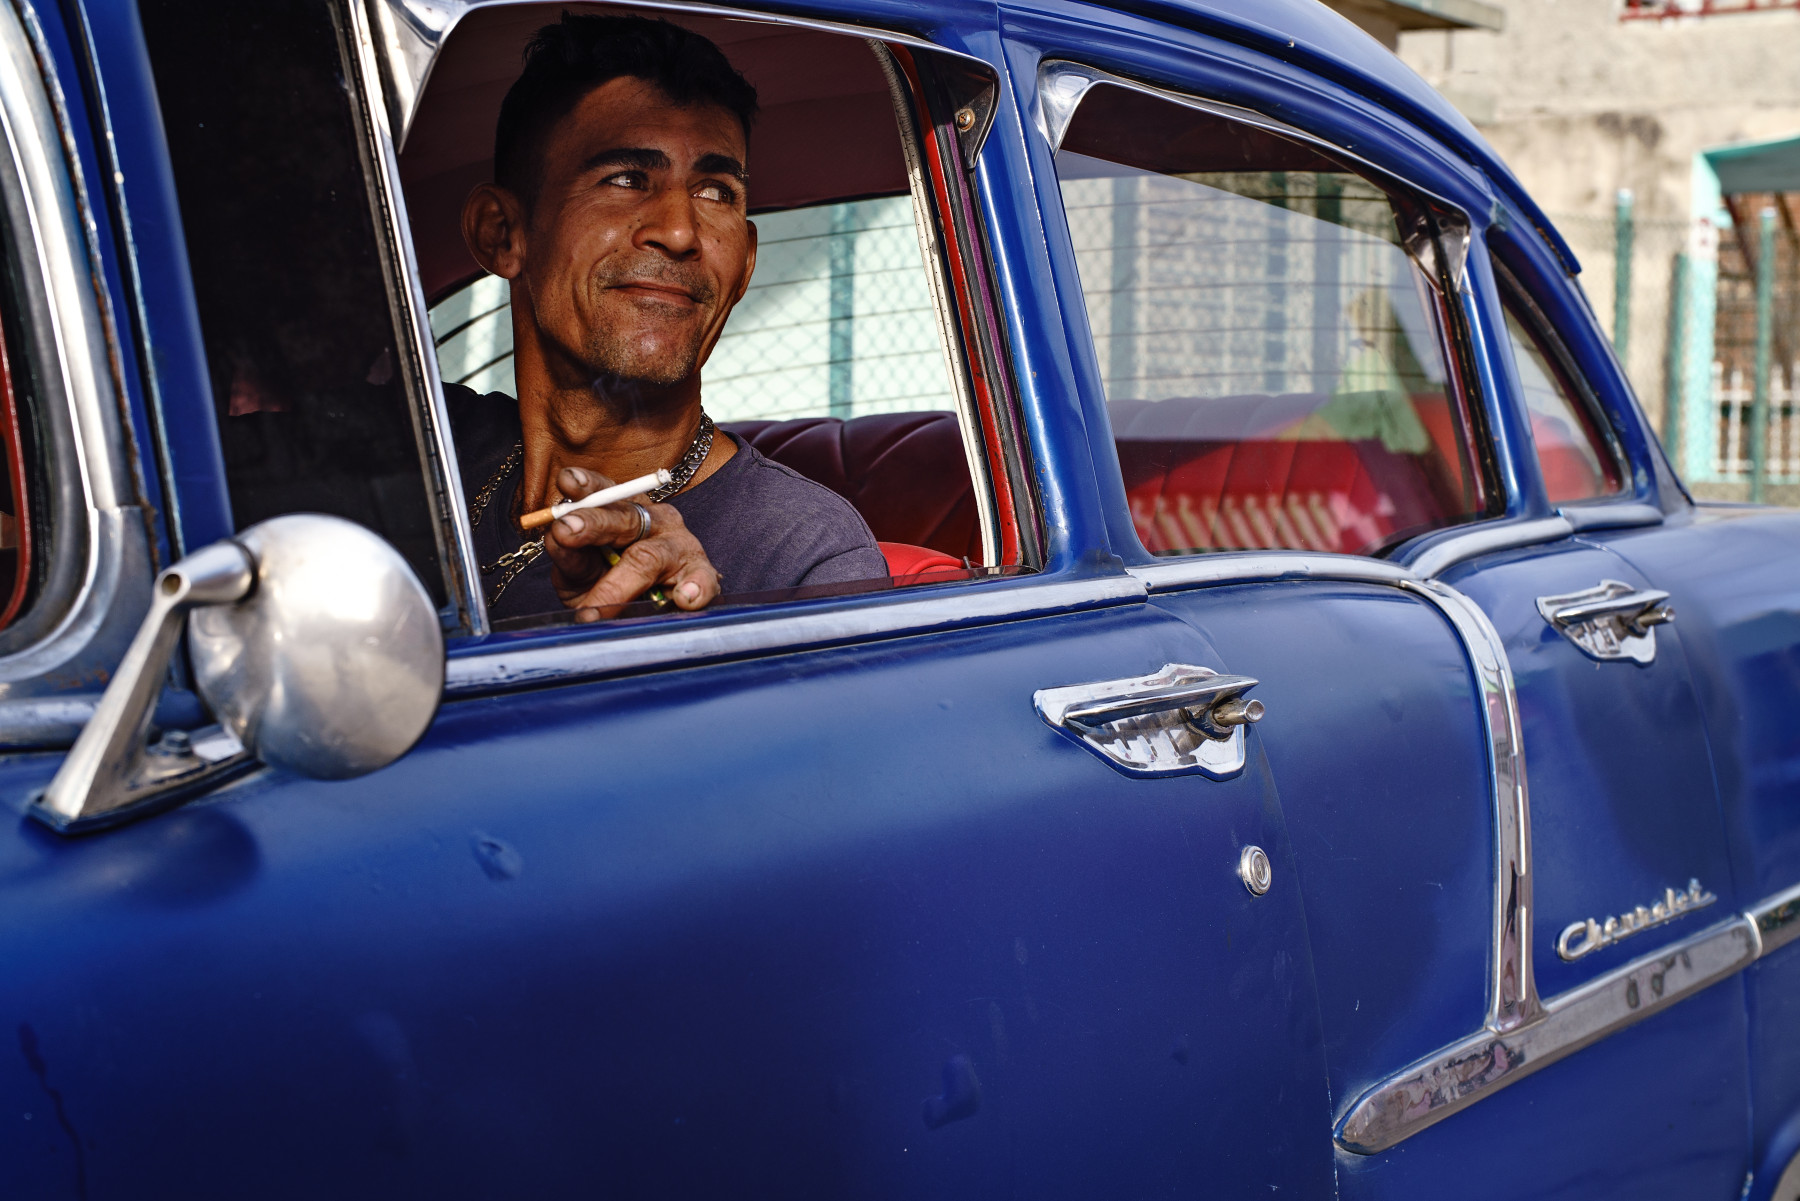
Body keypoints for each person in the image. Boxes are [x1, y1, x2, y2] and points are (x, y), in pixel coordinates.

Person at [452, 13, 887, 622]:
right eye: (627, 179)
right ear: (503, 234)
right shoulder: (419, 445)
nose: (681, 231)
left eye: (715, 192)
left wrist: (677, 633)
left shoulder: (804, 555)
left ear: (746, 263)